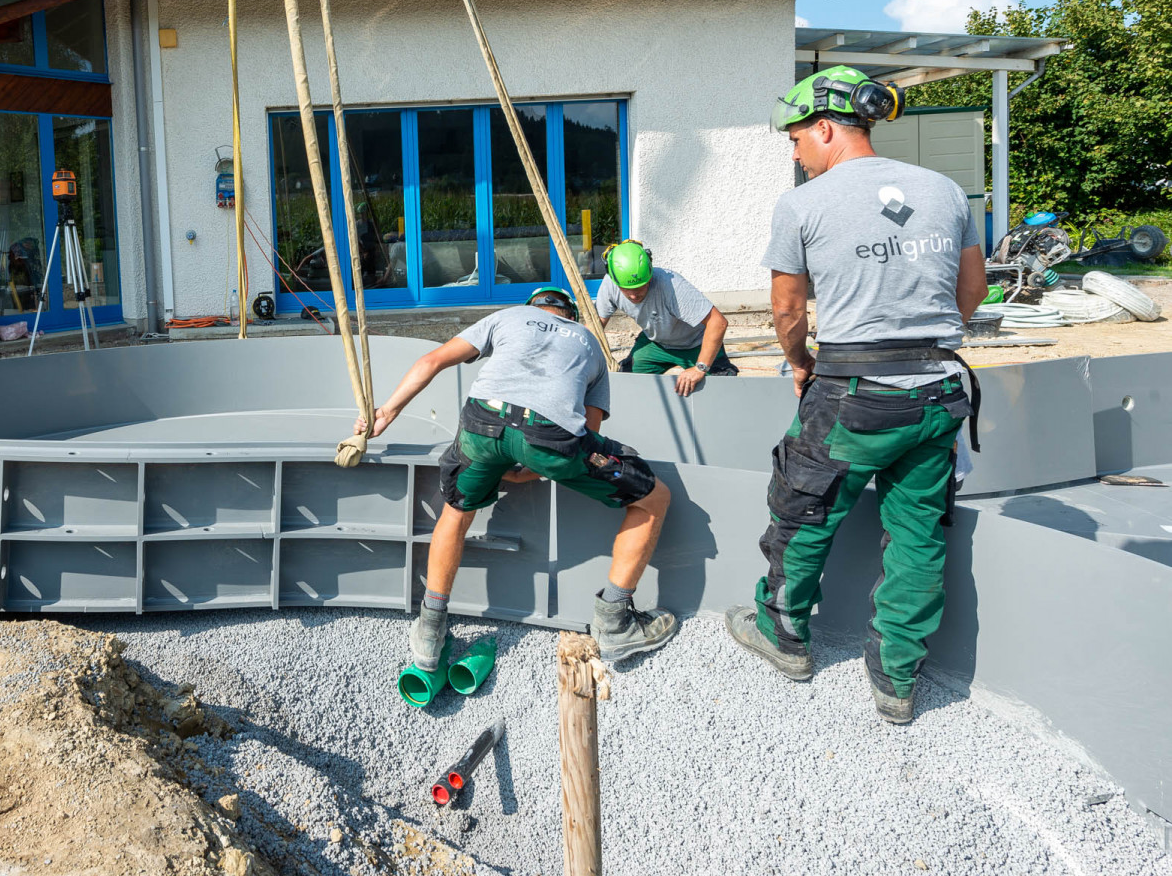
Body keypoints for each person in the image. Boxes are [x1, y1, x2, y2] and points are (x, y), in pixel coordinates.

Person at [727, 66, 987, 725]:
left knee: (802, 511)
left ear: (823, 128)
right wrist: (923, 345)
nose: (795, 154)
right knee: (918, 533)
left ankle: (783, 636)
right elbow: (973, 292)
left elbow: (787, 310)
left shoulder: (803, 205)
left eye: (795, 139)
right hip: (939, 392)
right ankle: (897, 678)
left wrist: (800, 363)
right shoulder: (945, 190)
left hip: (853, 397)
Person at [357, 286, 676, 667]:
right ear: (570, 314)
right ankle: (614, 623)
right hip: (549, 438)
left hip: (482, 424)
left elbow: (432, 360)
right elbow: (588, 433)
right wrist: (534, 469)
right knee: (654, 498)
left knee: (456, 511)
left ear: (533, 307)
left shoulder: (507, 316)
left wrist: (387, 412)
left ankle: (429, 631)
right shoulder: (590, 342)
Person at [593, 240, 737, 396]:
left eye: (640, 287)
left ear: (650, 275)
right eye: (626, 289)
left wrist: (700, 368)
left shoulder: (672, 286)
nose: (633, 295)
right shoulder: (610, 284)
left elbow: (718, 322)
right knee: (626, 381)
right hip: (656, 344)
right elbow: (595, 326)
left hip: (696, 343)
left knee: (722, 391)